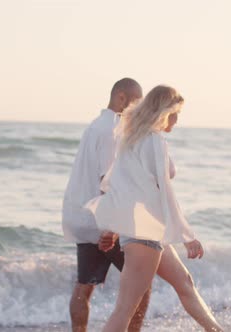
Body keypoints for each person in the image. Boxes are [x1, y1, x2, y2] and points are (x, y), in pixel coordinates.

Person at [86, 85, 224, 332]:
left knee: (185, 283)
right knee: (124, 309)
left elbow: (116, 186)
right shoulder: (154, 141)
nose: (177, 120)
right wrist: (187, 236)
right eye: (176, 113)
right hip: (145, 234)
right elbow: (165, 193)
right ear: (164, 112)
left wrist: (112, 229)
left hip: (148, 231)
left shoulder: (132, 139)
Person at [62, 78, 149, 332]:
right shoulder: (112, 130)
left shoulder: (95, 126)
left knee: (84, 285)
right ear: (121, 97)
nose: (139, 109)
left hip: (84, 218)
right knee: (142, 283)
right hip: (102, 222)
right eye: (136, 102)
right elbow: (108, 183)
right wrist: (113, 227)